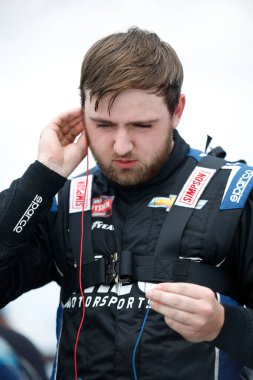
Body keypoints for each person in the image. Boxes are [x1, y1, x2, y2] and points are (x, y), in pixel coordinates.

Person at [0, 27, 253, 380]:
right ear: (81, 114)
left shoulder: (234, 196)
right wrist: (43, 176)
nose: (121, 146)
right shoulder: (66, 203)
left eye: (141, 125)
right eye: (103, 124)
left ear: (177, 110)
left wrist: (227, 325)